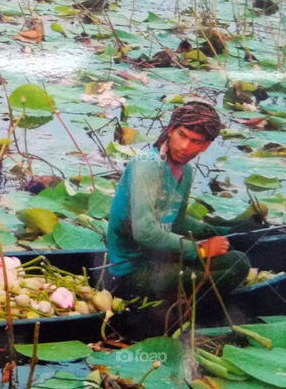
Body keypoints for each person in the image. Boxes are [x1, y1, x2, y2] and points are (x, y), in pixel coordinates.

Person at [106, 101, 251, 300]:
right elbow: (145, 232)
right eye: (182, 135)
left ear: (206, 145)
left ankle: (188, 299)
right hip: (131, 271)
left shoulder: (186, 171)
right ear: (171, 131)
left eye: (196, 141)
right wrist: (199, 249)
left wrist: (226, 231)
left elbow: (178, 221)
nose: (185, 147)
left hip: (161, 257)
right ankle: (187, 312)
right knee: (234, 269)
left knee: (237, 260)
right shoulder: (147, 166)